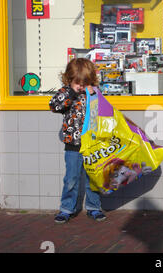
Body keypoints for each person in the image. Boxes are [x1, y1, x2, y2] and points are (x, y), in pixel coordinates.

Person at [49, 58, 107, 224]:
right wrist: (71, 92)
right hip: (73, 146)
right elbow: (54, 106)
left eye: (85, 82)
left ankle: (94, 208)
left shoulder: (94, 93)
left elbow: (104, 112)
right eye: (77, 82)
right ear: (69, 79)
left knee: (93, 179)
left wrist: (93, 93)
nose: (81, 86)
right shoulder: (66, 92)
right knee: (71, 179)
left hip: (93, 144)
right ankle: (66, 209)